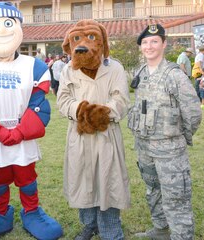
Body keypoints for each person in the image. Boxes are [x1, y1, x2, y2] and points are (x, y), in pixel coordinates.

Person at [0, 2, 63, 240]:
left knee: (27, 175)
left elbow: (39, 104)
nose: (2, 30)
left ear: (18, 27)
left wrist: (19, 131)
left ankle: (31, 211)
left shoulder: (35, 66)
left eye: (8, 24)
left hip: (23, 133)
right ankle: (0, 212)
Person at [58, 19, 130, 240]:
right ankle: (89, 224)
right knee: (83, 180)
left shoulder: (114, 68)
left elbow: (122, 99)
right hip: (79, 136)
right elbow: (62, 100)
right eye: (77, 39)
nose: (82, 45)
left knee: (108, 180)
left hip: (106, 135)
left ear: (102, 43)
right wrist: (80, 111)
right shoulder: (69, 70)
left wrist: (101, 114)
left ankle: (110, 228)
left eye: (90, 38)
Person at [130, 24, 202, 240]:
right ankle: (160, 229)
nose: (149, 46)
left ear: (164, 44)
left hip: (170, 150)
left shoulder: (174, 75)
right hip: (144, 147)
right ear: (141, 47)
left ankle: (182, 236)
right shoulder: (140, 72)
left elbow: (192, 113)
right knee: (153, 190)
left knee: (176, 196)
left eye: (154, 41)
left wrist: (179, 136)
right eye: (145, 42)